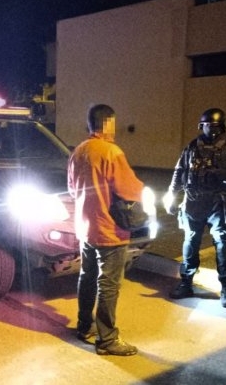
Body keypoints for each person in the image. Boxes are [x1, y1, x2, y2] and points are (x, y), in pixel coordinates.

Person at [67, 104, 144, 356]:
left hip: (85, 227)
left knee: (87, 276)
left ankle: (84, 326)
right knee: (108, 284)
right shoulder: (111, 151)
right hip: (110, 230)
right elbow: (130, 189)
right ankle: (107, 339)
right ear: (108, 123)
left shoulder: (78, 151)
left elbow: (71, 188)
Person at [163, 108, 226, 308]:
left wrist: (223, 173)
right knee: (190, 241)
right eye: (206, 126)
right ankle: (186, 283)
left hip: (220, 202)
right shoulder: (193, 146)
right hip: (194, 201)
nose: (210, 130)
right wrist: (172, 194)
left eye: (214, 126)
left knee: (222, 244)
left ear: (222, 127)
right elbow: (180, 170)